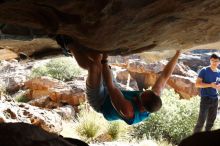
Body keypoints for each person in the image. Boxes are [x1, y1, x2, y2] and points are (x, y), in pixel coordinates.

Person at [56, 35, 181, 125]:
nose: (142, 92)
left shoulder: (128, 110)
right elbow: (164, 76)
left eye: (142, 95)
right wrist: (178, 54)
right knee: (97, 57)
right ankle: (76, 51)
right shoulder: (152, 98)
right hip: (116, 91)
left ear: (142, 106)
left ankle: (69, 45)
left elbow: (111, 87)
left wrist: (106, 58)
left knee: (94, 67)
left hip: (101, 102)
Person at [194, 53, 220, 133]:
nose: (214, 63)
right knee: (201, 121)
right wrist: (210, 85)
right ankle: (194, 140)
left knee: (210, 123)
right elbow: (197, 84)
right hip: (205, 99)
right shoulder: (204, 70)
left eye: (216, 61)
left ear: (219, 62)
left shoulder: (219, 72)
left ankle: (205, 141)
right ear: (210, 61)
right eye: (212, 61)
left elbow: (217, 85)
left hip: (215, 99)